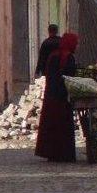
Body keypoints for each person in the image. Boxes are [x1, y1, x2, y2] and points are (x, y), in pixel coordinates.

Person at [35, 33, 79, 162]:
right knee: (63, 126)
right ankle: (64, 154)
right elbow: (70, 77)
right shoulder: (68, 57)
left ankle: (51, 153)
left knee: (51, 124)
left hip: (51, 95)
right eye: (76, 43)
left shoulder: (53, 55)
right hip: (62, 97)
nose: (77, 46)